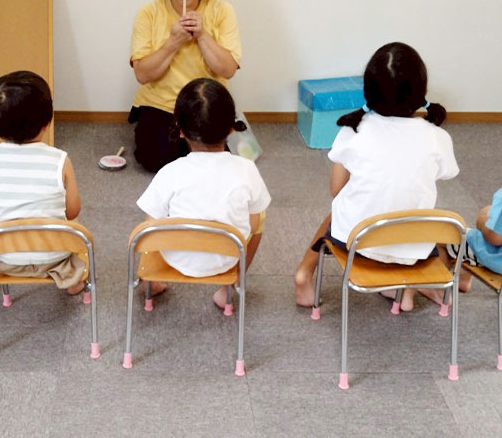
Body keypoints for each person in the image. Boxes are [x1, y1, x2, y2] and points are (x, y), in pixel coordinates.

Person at [294, 42, 459, 312]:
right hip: (412, 248)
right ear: (424, 90)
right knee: (432, 218)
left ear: (367, 91)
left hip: (358, 241)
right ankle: (406, 290)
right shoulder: (437, 137)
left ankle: (304, 273)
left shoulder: (354, 130)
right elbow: (442, 174)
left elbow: (337, 190)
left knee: (337, 211)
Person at [136, 78, 271, 308]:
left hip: (175, 256)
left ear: (180, 131)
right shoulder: (247, 169)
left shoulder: (170, 172)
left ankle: (151, 280)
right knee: (260, 216)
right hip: (228, 255)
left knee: (152, 218)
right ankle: (230, 287)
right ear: (231, 129)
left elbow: (150, 226)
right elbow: (252, 221)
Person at [129, 0, 242, 172]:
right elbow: (142, 74)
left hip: (206, 103)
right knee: (154, 158)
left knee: (215, 159)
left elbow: (228, 69)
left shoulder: (222, 10)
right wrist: (173, 42)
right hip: (160, 105)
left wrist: (202, 35)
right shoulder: (149, 12)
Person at [0, 71, 84, 295]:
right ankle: (72, 280)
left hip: (1, 256)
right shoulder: (59, 160)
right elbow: (72, 211)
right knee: (76, 230)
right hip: (54, 255)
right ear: (47, 122)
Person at [448, 190, 502, 274]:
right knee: (471, 237)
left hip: (496, 260)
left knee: (447, 239)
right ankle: (463, 275)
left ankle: (437, 280)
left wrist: (483, 219)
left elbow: (495, 237)